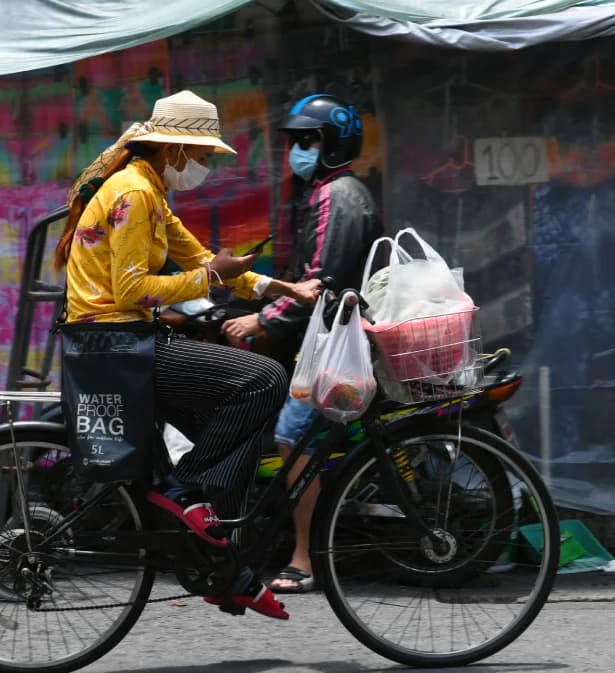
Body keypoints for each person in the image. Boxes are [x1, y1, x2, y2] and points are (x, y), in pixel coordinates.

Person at [54, 90, 321, 620]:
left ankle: (225, 570)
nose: (202, 166)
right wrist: (210, 276)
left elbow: (205, 259)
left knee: (238, 443)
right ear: (174, 150)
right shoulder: (134, 194)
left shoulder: (150, 191)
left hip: (124, 343)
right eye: (200, 157)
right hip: (117, 346)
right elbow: (133, 290)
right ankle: (185, 494)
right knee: (264, 379)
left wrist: (286, 289)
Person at [221, 94, 383, 594]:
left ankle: (303, 559)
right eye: (295, 142)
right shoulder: (325, 192)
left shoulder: (339, 196)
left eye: (308, 141)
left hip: (335, 340)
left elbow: (322, 281)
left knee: (294, 437)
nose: (297, 151)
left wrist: (263, 320)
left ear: (333, 145)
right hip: (328, 333)